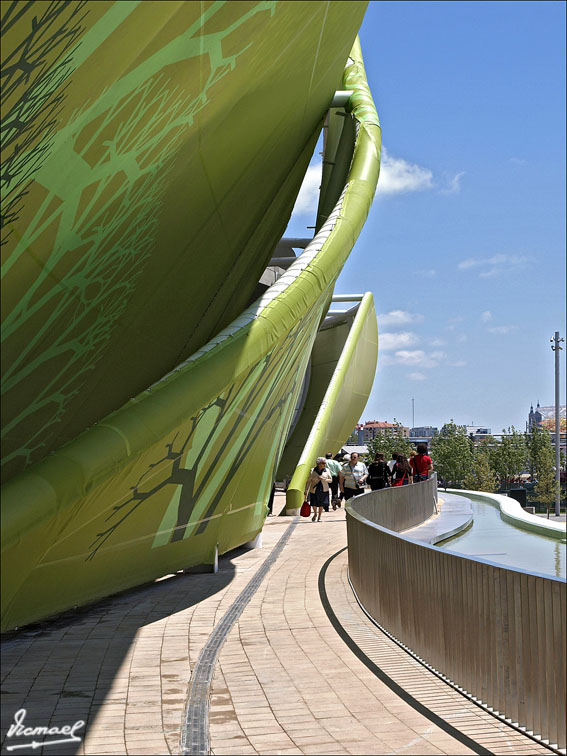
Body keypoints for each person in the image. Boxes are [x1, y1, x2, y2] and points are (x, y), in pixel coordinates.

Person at [304, 457, 332, 522]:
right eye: (323, 463)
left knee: (321, 504)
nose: (325, 464)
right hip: (314, 489)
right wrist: (306, 490)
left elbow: (330, 480)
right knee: (313, 503)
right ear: (319, 464)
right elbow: (308, 481)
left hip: (323, 489)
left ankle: (319, 517)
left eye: (325, 463)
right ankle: (315, 514)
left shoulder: (327, 470)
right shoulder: (312, 470)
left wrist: (324, 479)